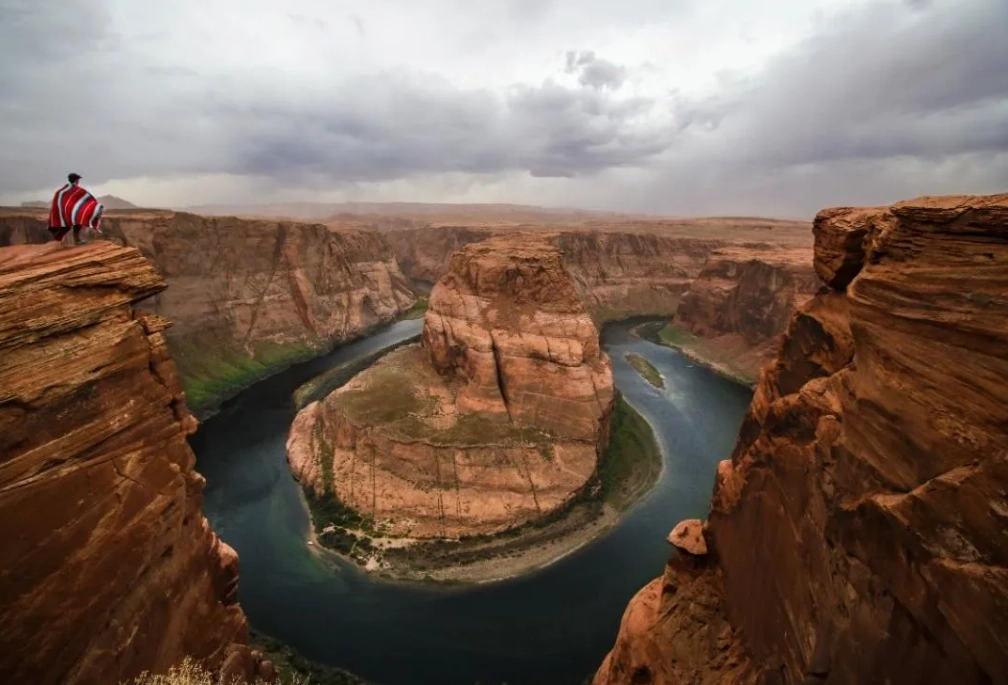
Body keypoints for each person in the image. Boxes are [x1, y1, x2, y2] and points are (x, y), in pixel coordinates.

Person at [48, 173, 104, 246]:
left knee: (67, 225)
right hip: (72, 212)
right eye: (78, 179)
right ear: (76, 180)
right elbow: (87, 199)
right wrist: (95, 206)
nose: (78, 181)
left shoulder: (62, 191)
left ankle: (68, 241)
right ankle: (76, 240)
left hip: (65, 212)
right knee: (77, 224)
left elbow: (59, 202)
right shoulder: (78, 190)